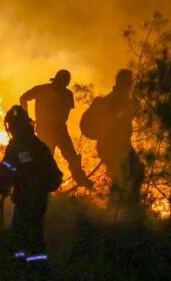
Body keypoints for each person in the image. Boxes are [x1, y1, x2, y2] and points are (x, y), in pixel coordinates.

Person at [0, 105, 63, 262]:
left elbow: (9, 167)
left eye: (12, 126)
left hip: (29, 199)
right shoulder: (37, 145)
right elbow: (11, 167)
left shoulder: (20, 146)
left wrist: (3, 182)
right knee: (31, 235)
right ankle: (32, 267)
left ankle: (28, 270)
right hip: (37, 199)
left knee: (23, 235)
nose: (10, 130)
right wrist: (5, 181)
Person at [19, 69, 93, 188]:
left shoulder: (59, 92)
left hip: (56, 129)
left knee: (69, 157)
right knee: (47, 159)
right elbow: (23, 98)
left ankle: (81, 180)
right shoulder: (49, 90)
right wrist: (27, 117)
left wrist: (28, 118)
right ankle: (39, 186)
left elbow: (23, 98)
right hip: (50, 129)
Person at [91, 69, 144, 217]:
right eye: (127, 82)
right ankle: (113, 213)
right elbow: (113, 121)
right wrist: (129, 110)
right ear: (121, 83)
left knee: (137, 171)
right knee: (121, 177)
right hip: (111, 144)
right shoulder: (113, 99)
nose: (129, 85)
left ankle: (128, 210)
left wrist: (133, 109)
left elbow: (126, 119)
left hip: (122, 144)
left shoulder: (124, 99)